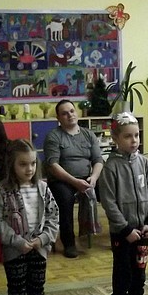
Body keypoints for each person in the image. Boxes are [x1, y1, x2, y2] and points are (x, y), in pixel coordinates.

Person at [0, 139, 60, 295]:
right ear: (11, 165)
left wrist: (43, 239)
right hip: (15, 251)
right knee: (16, 292)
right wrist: (17, 241)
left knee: (37, 290)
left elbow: (53, 216)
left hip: (38, 249)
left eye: (32, 163)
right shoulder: (4, 191)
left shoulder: (42, 188)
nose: (29, 169)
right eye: (23, 164)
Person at [99, 111, 148, 295]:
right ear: (115, 138)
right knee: (123, 272)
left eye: (136, 135)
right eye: (127, 136)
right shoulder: (110, 167)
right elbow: (108, 202)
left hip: (143, 231)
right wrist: (125, 229)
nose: (134, 140)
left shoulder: (144, 163)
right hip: (123, 233)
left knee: (139, 271)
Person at [44, 99, 104, 258]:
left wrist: (93, 178)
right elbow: (53, 165)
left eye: (72, 111)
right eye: (64, 113)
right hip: (63, 181)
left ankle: (120, 232)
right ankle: (69, 243)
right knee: (65, 198)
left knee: (112, 190)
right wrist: (75, 182)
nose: (70, 115)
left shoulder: (88, 134)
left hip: (88, 178)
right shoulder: (53, 136)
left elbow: (98, 160)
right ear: (58, 118)